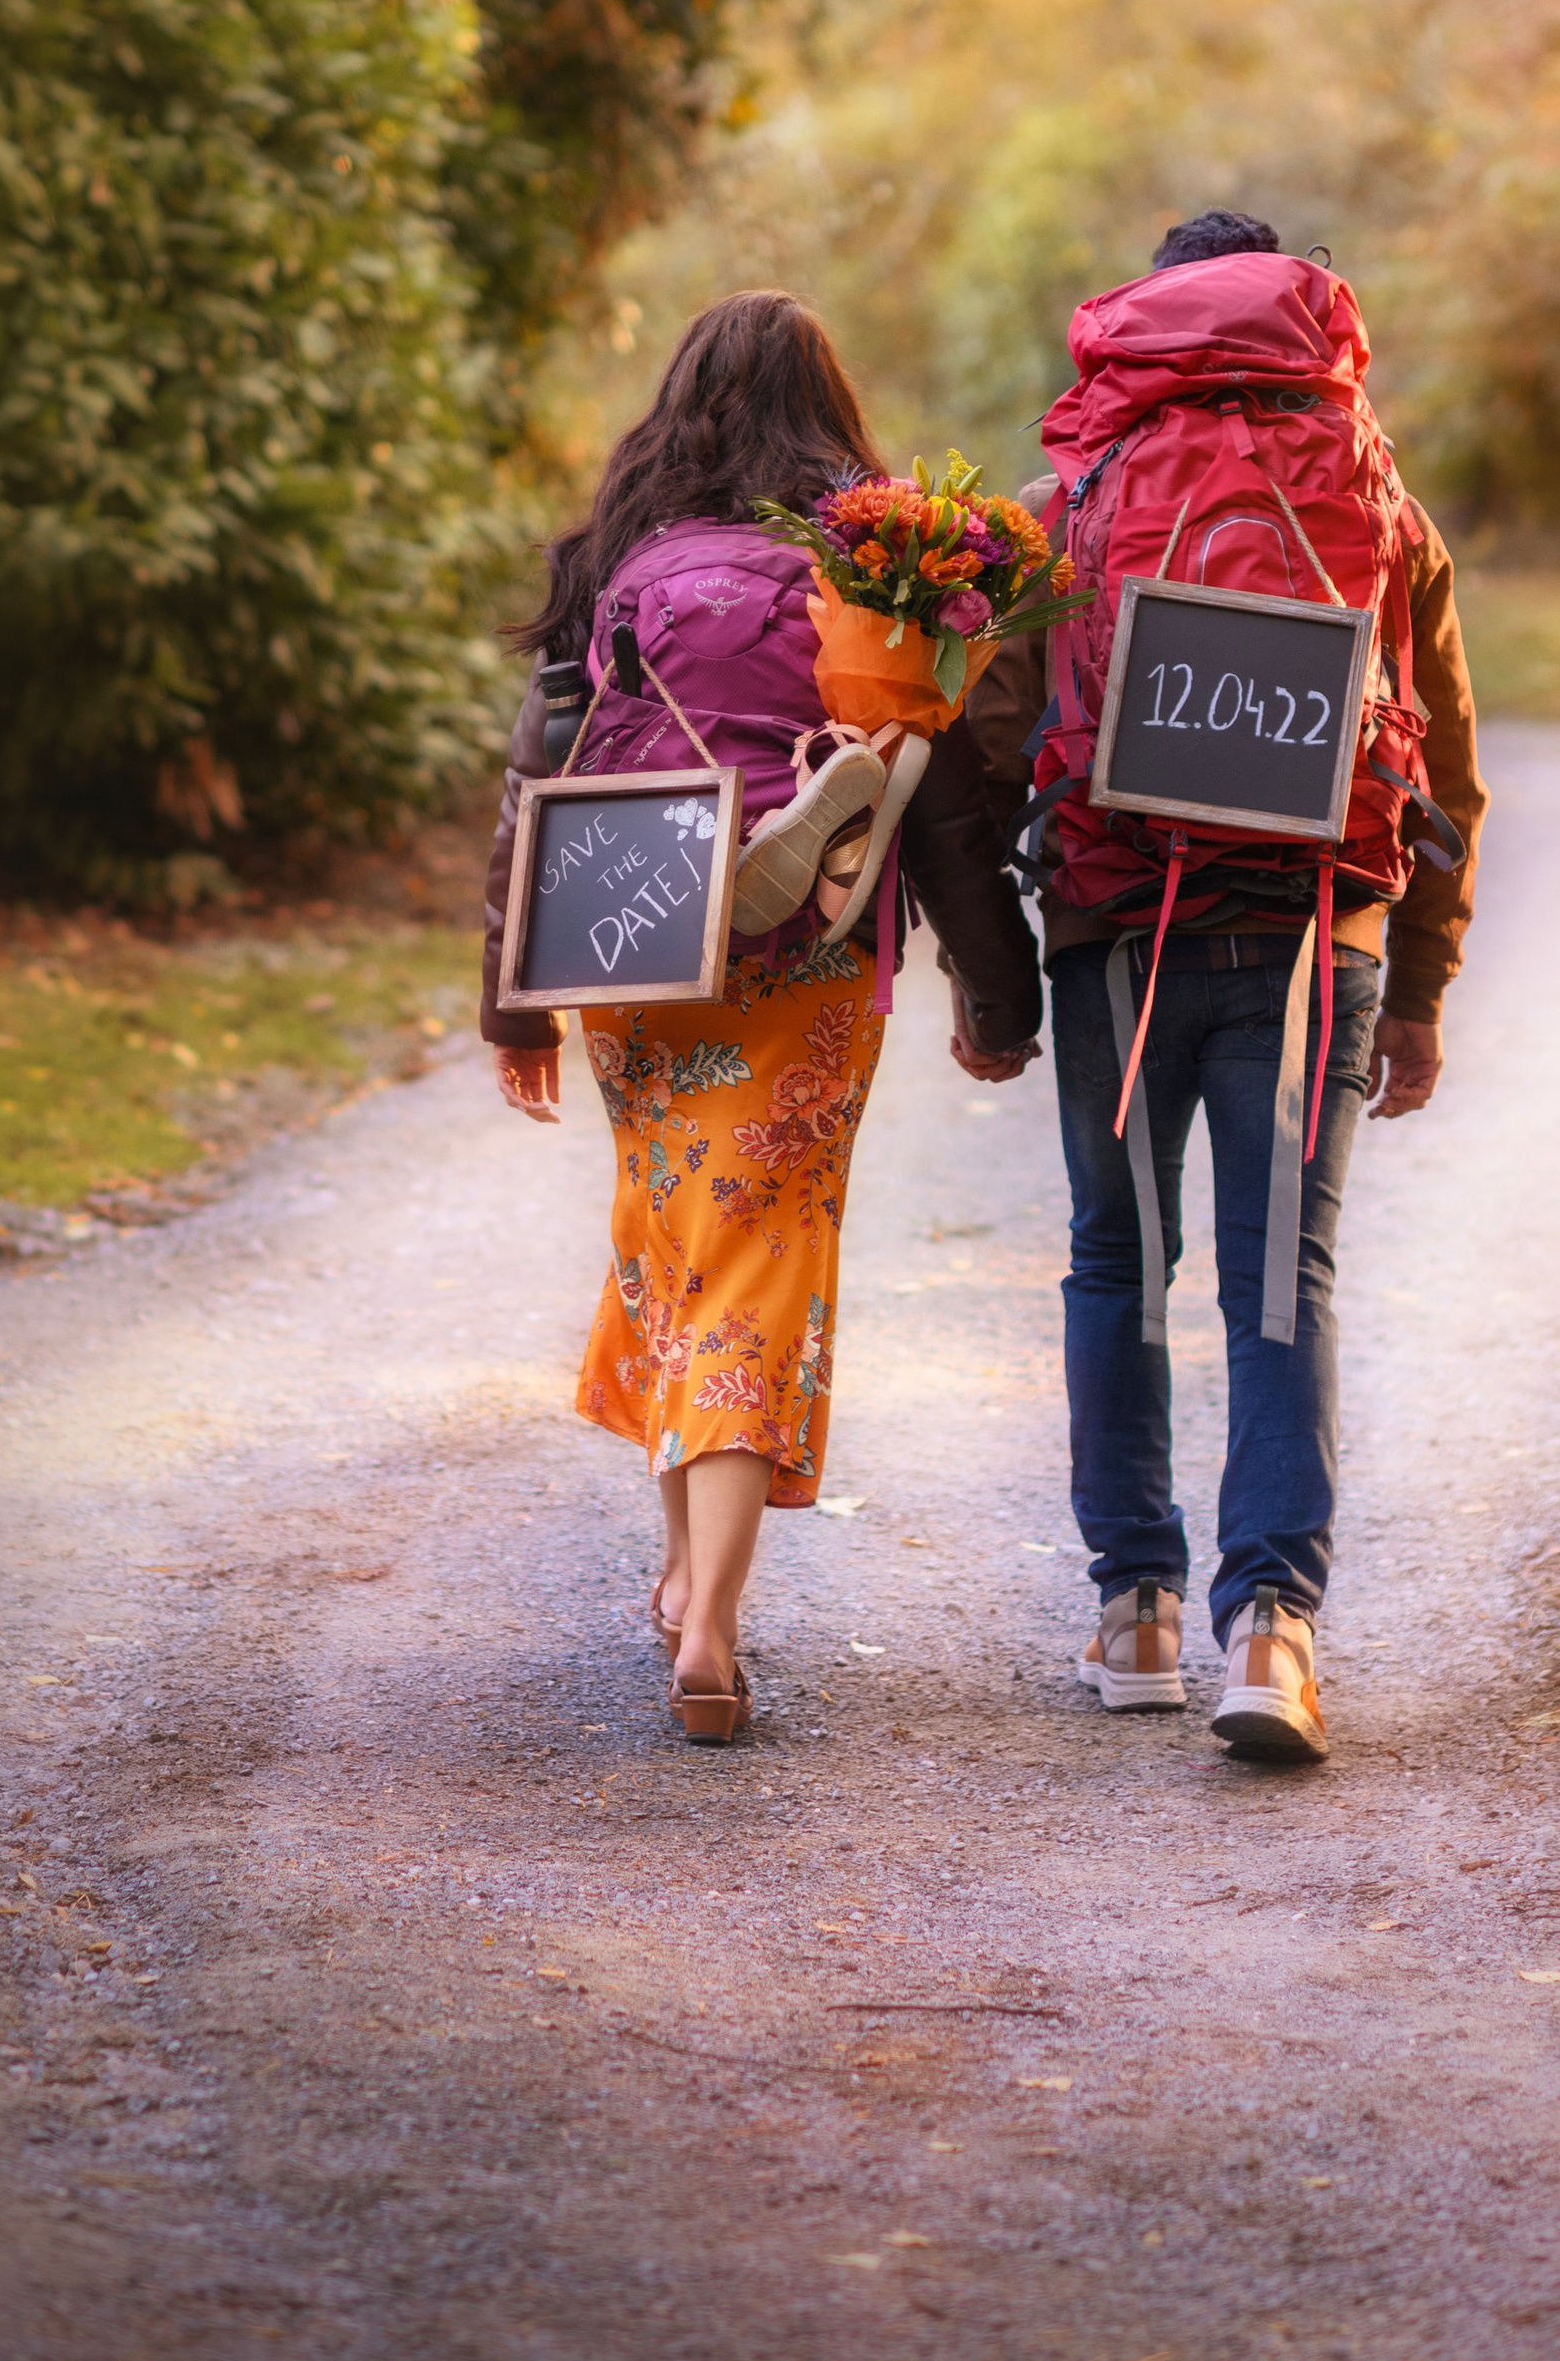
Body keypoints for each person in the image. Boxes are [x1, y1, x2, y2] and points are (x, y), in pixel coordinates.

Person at [482, 292, 1042, 1740]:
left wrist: (513, 1007)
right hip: (809, 957)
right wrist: (999, 995)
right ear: (828, 411)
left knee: (676, 1242)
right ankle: (713, 1621)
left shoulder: (618, 567)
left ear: (681, 407)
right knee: (758, 1259)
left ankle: (685, 1573)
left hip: (632, 935)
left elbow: (535, 790)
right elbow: (945, 811)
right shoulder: (873, 575)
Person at [969, 212, 1484, 1767]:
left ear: (1143, 320)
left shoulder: (1068, 504)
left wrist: (1001, 977)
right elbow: (1448, 764)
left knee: (1117, 1265)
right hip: (1322, 936)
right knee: (1279, 1282)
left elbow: (990, 739)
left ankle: (1135, 1611)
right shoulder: (1376, 500)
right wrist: (1422, 985)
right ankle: (1271, 1634)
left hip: (1118, 935)